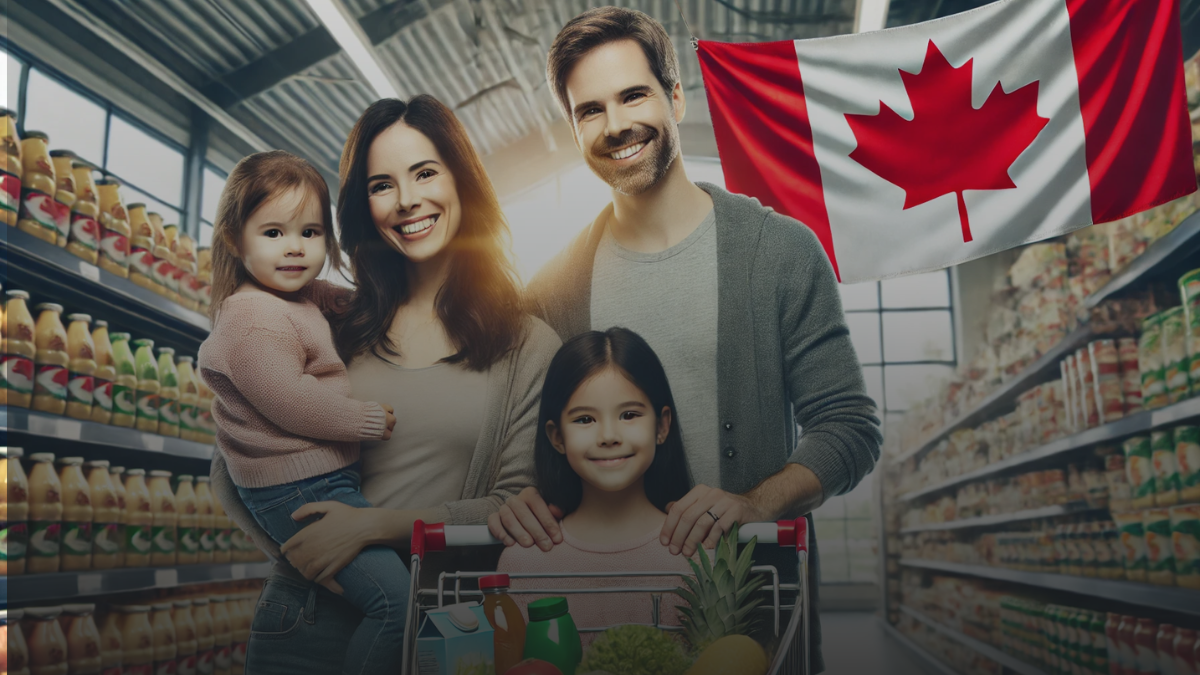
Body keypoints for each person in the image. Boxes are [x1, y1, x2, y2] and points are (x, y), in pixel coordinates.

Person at [487, 8, 884, 671]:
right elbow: (535, 434)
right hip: (594, 622)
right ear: (573, 128)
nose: (616, 125)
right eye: (590, 110)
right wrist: (522, 495)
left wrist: (757, 501)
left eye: (633, 95)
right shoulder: (553, 289)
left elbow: (850, 426)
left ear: (675, 97)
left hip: (748, 616)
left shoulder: (779, 253)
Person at [207, 95, 561, 674]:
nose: (407, 201)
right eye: (381, 185)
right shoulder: (333, 323)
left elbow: (509, 506)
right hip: (310, 616)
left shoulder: (524, 344)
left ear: (462, 181)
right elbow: (229, 468)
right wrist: (311, 556)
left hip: (447, 626)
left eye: (425, 173)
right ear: (361, 206)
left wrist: (369, 528)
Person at [197, 150, 405, 675]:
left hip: (317, 483)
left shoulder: (292, 296)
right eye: (273, 233)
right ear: (232, 241)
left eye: (310, 233)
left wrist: (368, 299)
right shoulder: (253, 319)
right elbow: (289, 400)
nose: (294, 248)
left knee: (382, 595)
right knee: (397, 606)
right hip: (300, 489)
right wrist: (363, 420)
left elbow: (328, 298)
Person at [496, 327, 697, 644]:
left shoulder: (699, 554)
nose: (608, 436)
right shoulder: (523, 563)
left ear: (662, 426)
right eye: (585, 420)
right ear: (557, 437)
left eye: (629, 414)